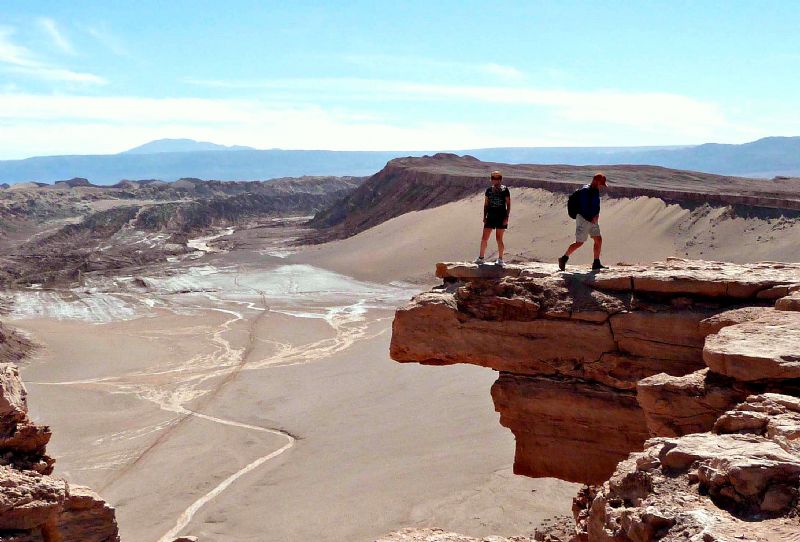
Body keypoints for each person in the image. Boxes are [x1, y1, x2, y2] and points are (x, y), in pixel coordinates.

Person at [558, 173, 607, 271]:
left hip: (593, 219)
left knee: (598, 239)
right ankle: (564, 258)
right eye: (601, 184)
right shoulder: (585, 191)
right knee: (579, 242)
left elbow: (597, 205)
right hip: (583, 219)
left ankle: (596, 262)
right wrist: (591, 218)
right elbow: (583, 208)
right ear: (596, 181)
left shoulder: (596, 190)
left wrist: (597, 215)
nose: (601, 186)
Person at [475, 170, 510, 266]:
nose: (496, 180)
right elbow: (486, 204)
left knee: (499, 238)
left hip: (501, 216)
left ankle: (500, 259)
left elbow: (508, 204)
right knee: (484, 238)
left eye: (498, 178)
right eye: (494, 178)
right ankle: (481, 257)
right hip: (490, 216)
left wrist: (506, 217)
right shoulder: (489, 190)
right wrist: (484, 216)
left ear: (500, 179)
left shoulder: (505, 189)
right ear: (491, 179)